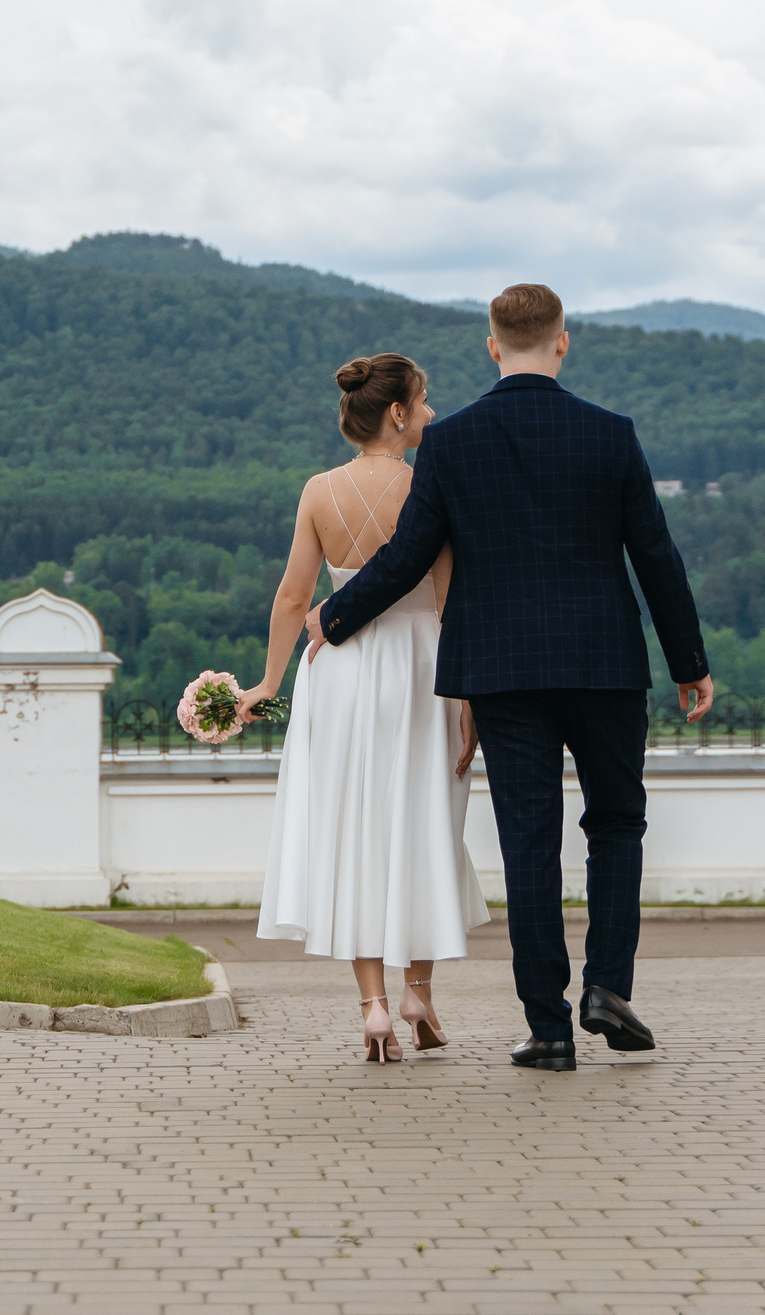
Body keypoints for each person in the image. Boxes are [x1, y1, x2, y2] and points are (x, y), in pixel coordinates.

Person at [304, 284, 712, 1073]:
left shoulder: (451, 443)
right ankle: (608, 989)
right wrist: (690, 663)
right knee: (617, 823)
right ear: (563, 343)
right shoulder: (611, 434)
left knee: (529, 840)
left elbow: (409, 554)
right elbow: (655, 556)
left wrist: (337, 616)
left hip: (504, 668)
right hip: (604, 663)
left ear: (493, 347)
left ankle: (549, 1027)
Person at [241, 351, 489, 1063]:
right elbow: (448, 601)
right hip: (420, 668)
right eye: (425, 400)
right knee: (425, 823)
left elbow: (293, 597)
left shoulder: (319, 491)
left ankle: (373, 1007)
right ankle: (420, 990)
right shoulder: (430, 487)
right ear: (397, 413)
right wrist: (467, 693)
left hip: (340, 673)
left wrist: (267, 683)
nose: (433, 414)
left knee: (353, 830)